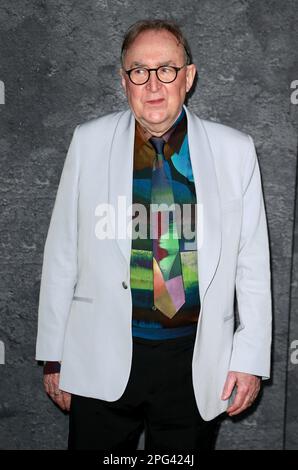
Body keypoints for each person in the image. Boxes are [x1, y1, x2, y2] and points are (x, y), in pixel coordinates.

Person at [36, 19, 272, 451]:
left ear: (189, 77)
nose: (153, 84)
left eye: (166, 69)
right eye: (138, 71)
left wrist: (250, 359)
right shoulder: (88, 143)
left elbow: (251, 264)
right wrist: (54, 354)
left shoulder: (235, 151)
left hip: (196, 361)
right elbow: (62, 252)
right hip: (100, 355)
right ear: (123, 80)